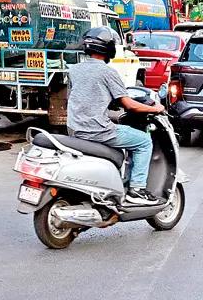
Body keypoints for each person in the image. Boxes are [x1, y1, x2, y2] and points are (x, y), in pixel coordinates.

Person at [67, 27, 165, 205]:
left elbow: (80, 96)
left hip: (75, 129)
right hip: (98, 131)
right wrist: (155, 109)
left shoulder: (74, 70)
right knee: (143, 141)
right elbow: (129, 105)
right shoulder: (108, 72)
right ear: (108, 48)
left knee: (125, 134)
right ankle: (137, 189)